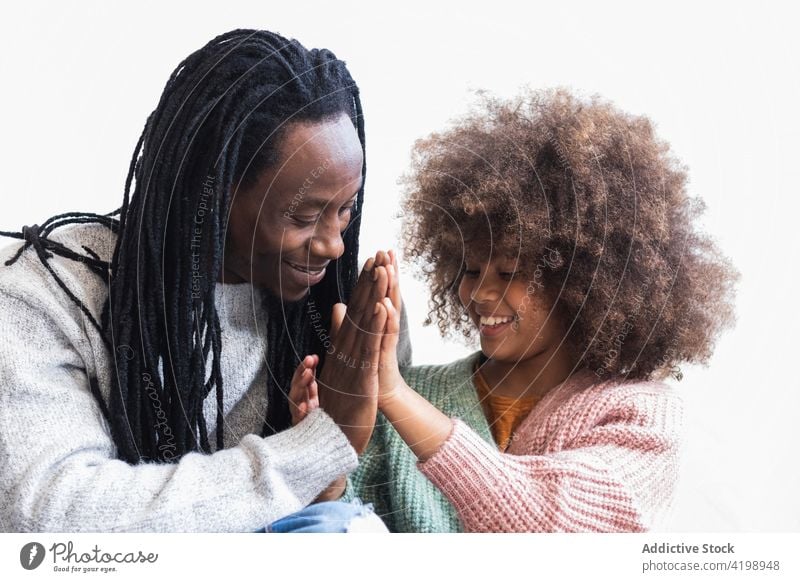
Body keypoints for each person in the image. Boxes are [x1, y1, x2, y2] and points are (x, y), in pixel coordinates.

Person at [0, 28, 411, 532]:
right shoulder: (46, 296)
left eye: (345, 210)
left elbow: (365, 503)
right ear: (212, 193)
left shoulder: (345, 312)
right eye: (304, 216)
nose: (334, 245)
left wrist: (330, 477)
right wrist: (316, 448)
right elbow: (48, 521)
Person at [332, 88, 737, 532]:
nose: (481, 294)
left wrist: (396, 398)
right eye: (470, 269)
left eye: (508, 273)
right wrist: (327, 448)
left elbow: (559, 526)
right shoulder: (417, 390)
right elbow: (349, 525)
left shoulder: (640, 414)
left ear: (579, 281)